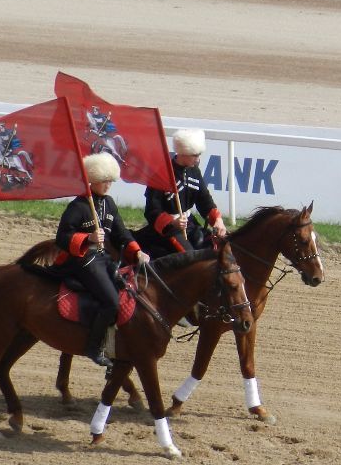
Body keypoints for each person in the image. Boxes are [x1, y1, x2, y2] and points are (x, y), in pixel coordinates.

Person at [53, 152, 149, 367]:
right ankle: (93, 347)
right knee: (112, 302)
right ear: (93, 180)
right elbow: (62, 238)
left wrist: (137, 252)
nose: (108, 186)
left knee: (130, 293)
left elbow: (122, 234)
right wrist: (88, 237)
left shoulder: (109, 203)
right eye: (105, 181)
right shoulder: (77, 207)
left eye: (111, 181)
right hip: (82, 260)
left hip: (103, 258)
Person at [138, 128, 229, 257]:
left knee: (220, 246)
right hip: (169, 229)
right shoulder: (161, 173)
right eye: (195, 155)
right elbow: (152, 210)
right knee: (191, 257)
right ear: (183, 153)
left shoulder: (194, 171)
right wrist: (172, 223)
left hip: (189, 223)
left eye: (199, 155)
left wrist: (218, 220)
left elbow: (204, 199)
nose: (198, 159)